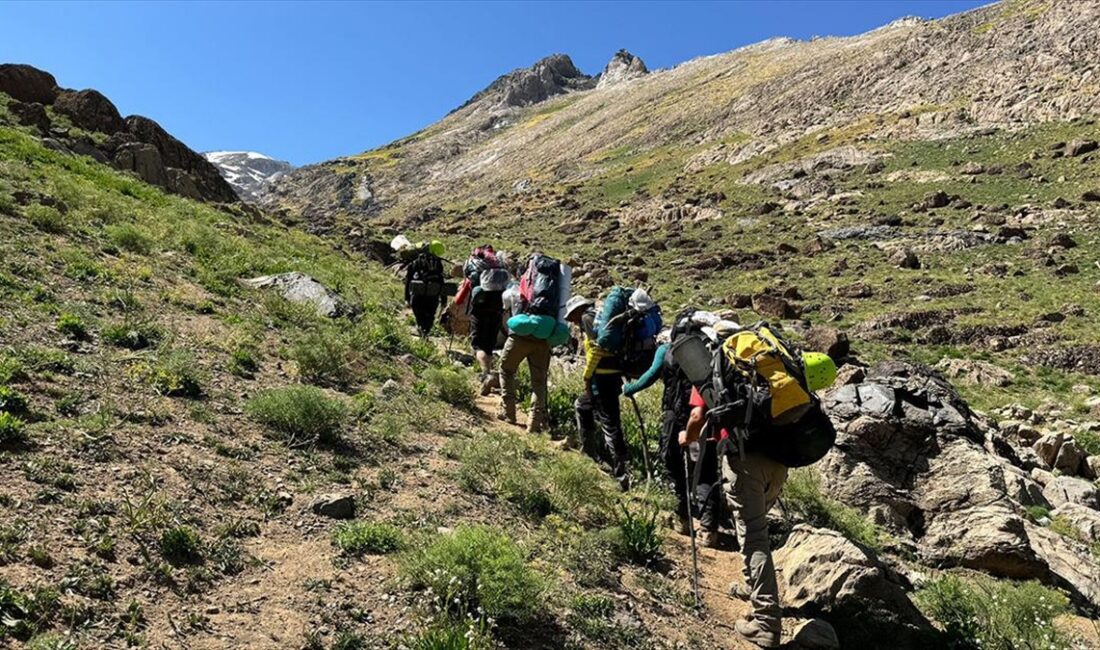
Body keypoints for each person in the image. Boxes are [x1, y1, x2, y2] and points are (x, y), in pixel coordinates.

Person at [679, 349, 837, 648]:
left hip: (746, 458)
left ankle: (766, 623)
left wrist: (686, 438)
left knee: (753, 537)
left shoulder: (718, 366)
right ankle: (756, 592)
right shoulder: (773, 367)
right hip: (781, 457)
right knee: (755, 528)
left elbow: (697, 415)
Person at [623, 311, 729, 548]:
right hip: (706, 419)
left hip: (675, 417)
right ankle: (709, 529)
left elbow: (649, 377)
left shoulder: (667, 350)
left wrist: (630, 389)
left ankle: (682, 517)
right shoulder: (710, 352)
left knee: (672, 464)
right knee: (706, 469)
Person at [569, 293, 631, 491]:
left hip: (601, 378)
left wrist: (587, 376)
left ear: (577, 310)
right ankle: (590, 453)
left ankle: (621, 475)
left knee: (610, 423)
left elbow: (597, 349)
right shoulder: (598, 317)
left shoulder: (587, 319)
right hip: (611, 376)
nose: (571, 320)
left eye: (571, 315)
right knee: (584, 406)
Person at [455, 245, 507, 395]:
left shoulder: (475, 265)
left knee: (478, 345)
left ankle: (486, 374)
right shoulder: (498, 265)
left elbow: (465, 289)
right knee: (490, 345)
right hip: (497, 310)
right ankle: (489, 372)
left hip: (480, 310)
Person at [403, 240, 446, 337]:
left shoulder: (415, 262)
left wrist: (407, 297)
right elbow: (441, 280)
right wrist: (444, 299)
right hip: (433, 294)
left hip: (417, 293)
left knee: (419, 313)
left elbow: (408, 280)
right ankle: (425, 332)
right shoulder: (438, 263)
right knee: (430, 315)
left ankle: (421, 329)